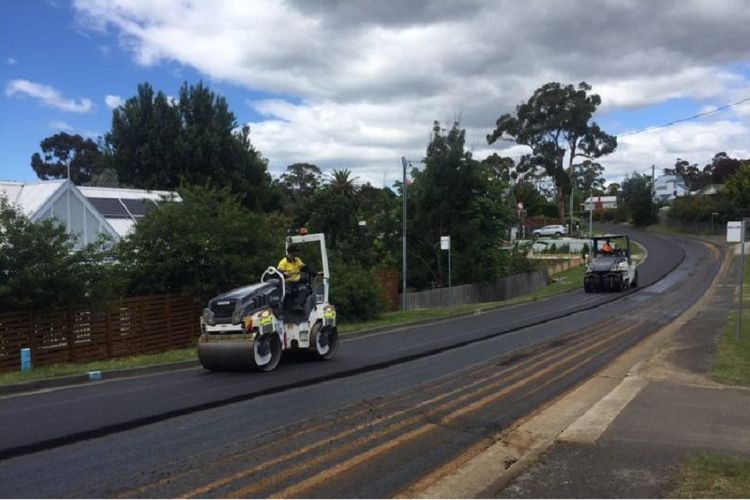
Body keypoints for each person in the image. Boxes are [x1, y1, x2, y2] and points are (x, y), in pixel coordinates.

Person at [277, 245, 318, 311]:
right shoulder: (283, 262)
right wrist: (284, 274)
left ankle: (298, 306)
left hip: (297, 282)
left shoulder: (297, 260)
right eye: (296, 251)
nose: (298, 253)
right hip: (287, 283)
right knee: (287, 292)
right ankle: (286, 308)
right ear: (291, 252)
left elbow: (305, 268)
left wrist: (315, 273)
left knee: (303, 289)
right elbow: (278, 273)